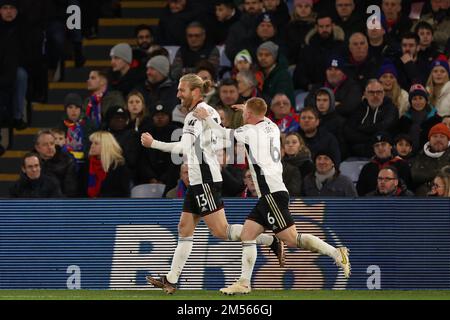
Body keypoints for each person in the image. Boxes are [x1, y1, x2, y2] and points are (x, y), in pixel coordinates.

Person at [141, 74, 283, 294]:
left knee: (221, 231)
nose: (178, 94)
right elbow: (219, 140)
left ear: (195, 92)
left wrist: (153, 144)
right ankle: (171, 279)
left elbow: (184, 148)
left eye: (182, 90)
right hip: (200, 179)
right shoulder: (211, 112)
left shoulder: (195, 116)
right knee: (184, 228)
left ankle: (268, 240)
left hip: (204, 180)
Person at [193, 97, 350, 295]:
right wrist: (249, 109)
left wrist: (206, 118)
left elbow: (221, 133)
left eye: (245, 113)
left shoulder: (249, 131)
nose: (243, 116)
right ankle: (243, 283)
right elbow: (261, 115)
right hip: (271, 194)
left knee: (293, 240)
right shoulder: (272, 126)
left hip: (271, 195)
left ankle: (337, 253)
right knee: (247, 235)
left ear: (249, 114)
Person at [343, 79, 398, 158]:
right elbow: (348, 131)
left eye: (378, 92)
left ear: (383, 94)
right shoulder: (358, 108)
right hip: (358, 153)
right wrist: (371, 138)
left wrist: (361, 129)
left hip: (383, 153)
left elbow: (385, 127)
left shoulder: (391, 108)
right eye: (371, 92)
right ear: (365, 94)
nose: (375, 95)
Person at [79, 131, 131, 198]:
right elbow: (80, 191)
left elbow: (123, 193)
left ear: (106, 146)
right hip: (87, 205)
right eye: (91, 143)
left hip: (110, 206)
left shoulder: (118, 166)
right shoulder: (86, 165)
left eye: (96, 143)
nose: (92, 146)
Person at [397, 84, 442, 152]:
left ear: (426, 100)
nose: (418, 102)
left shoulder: (435, 118)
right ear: (410, 101)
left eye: (420, 98)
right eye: (414, 99)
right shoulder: (404, 120)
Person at [33, 130, 78, 197]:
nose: (50, 147)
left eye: (52, 143)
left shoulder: (67, 161)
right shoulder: (31, 160)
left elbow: (70, 192)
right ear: (37, 148)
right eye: (45, 144)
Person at [411, 123, 450, 195]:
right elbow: (415, 175)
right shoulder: (421, 155)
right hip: (426, 195)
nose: (438, 139)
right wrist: (442, 173)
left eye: (442, 136)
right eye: (435, 136)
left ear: (448, 140)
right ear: (429, 140)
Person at [58, 93, 95, 165]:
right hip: (66, 162)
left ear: (81, 109)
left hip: (87, 162)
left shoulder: (90, 125)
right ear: (65, 109)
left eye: (77, 107)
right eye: (70, 107)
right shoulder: (61, 125)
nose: (73, 110)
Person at [257, 41, 295, 106]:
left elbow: (280, 101)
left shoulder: (283, 75)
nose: (263, 58)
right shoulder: (258, 73)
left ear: (275, 57)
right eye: (260, 55)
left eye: (267, 55)